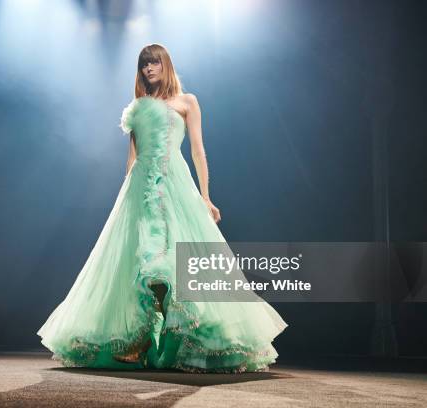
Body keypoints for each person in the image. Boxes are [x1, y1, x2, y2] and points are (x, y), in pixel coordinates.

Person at [37, 43, 288, 373]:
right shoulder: (139, 107)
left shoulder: (187, 102)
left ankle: (177, 339)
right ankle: (140, 339)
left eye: (153, 62)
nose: (148, 69)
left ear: (165, 64)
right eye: (143, 65)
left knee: (174, 261)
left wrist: (206, 196)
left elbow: (198, 151)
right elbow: (131, 159)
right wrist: (125, 199)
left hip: (174, 184)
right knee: (145, 263)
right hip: (141, 188)